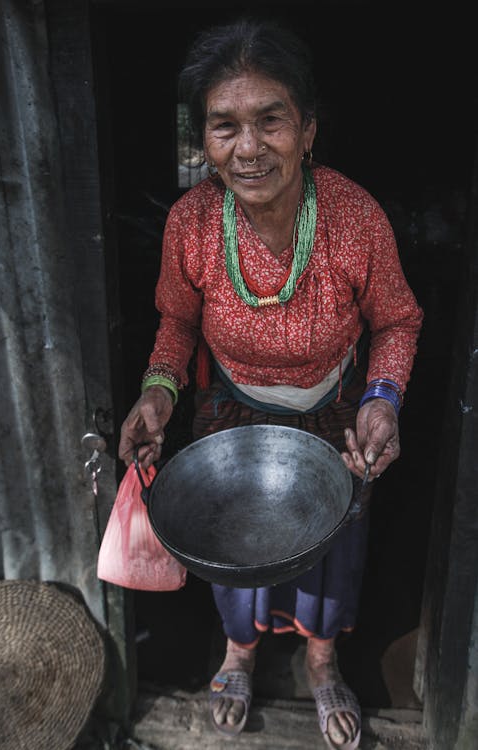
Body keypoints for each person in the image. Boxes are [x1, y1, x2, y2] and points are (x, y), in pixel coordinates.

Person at [118, 17, 423, 749]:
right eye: (225, 126)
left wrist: (383, 401)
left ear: (308, 129)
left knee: (332, 551)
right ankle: (239, 652)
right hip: (232, 413)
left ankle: (321, 662)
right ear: (204, 141)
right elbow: (176, 327)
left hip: (337, 416)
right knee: (231, 548)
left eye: (270, 121)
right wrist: (158, 394)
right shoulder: (192, 224)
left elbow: (398, 322)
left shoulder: (354, 218)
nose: (248, 148)